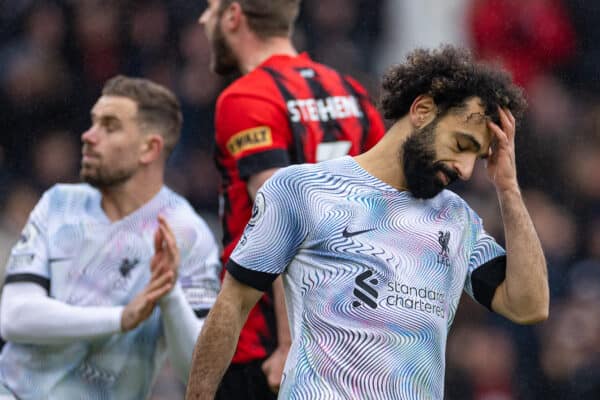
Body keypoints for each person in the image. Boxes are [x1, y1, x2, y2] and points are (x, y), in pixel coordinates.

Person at [185, 45, 550, 399]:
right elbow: (232, 306)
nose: (467, 170)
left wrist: (508, 188)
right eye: (460, 144)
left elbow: (529, 306)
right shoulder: (303, 190)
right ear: (422, 109)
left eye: (478, 156)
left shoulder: (457, 220)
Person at [192, 0, 385, 398]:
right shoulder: (353, 94)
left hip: (267, 349)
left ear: (233, 16)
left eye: (210, 7)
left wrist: (289, 344)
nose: (202, 18)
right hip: (349, 344)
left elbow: (279, 222)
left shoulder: (246, 98)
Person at [0, 75, 221, 399]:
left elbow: (199, 372)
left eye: (109, 126)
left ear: (149, 148)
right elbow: (14, 317)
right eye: (93, 123)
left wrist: (170, 293)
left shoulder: (188, 234)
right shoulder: (59, 203)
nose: (89, 136)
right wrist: (120, 318)